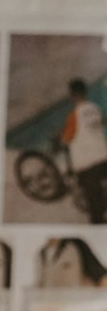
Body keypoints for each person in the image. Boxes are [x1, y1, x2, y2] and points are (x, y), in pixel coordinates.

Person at [59, 78, 107, 224]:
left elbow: (65, 139)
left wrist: (60, 139)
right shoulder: (95, 108)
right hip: (103, 157)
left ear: (73, 95)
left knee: (95, 208)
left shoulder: (74, 115)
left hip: (87, 165)